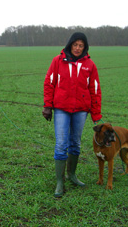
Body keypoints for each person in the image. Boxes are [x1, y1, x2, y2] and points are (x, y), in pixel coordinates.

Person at [43, 32, 102, 197]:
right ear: (70, 45)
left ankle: (72, 175)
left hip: (81, 110)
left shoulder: (89, 65)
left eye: (81, 45)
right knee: (61, 144)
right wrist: (48, 106)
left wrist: (96, 115)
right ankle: (60, 182)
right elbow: (49, 83)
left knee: (75, 143)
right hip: (61, 108)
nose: (77, 48)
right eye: (75, 45)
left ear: (85, 47)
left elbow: (95, 90)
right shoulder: (58, 61)